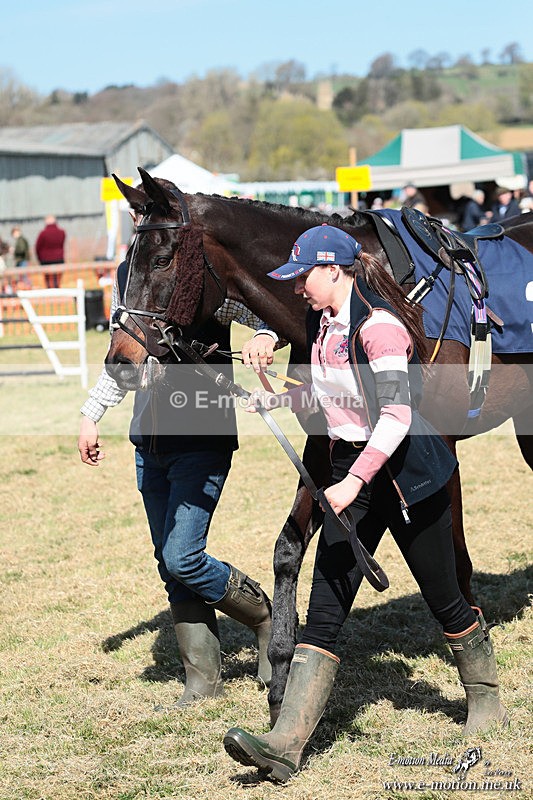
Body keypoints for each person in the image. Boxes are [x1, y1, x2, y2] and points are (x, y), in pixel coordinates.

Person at [223, 225, 508, 782]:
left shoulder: (380, 329)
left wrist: (353, 481)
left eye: (303, 275)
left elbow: (396, 416)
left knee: (445, 598)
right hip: (350, 474)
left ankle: (485, 697)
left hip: (407, 478)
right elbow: (335, 396)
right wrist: (278, 396)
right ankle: (285, 744)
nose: (298, 287)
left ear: (334, 270)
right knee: (325, 607)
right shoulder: (320, 324)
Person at [78, 256, 280, 709]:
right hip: (148, 443)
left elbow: (272, 311)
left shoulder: (204, 279)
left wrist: (266, 335)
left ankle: (266, 616)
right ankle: (202, 680)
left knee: (182, 557)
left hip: (201, 438)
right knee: (169, 564)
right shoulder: (131, 277)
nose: (140, 223)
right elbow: (121, 356)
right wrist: (92, 414)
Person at [35, 215, 66, 288]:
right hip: (59, 258)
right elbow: (61, 244)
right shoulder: (62, 232)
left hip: (45, 260)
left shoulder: (43, 233)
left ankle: (50, 293)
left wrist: (40, 258)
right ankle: (57, 291)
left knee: (48, 279)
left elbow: (37, 247)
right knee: (57, 279)